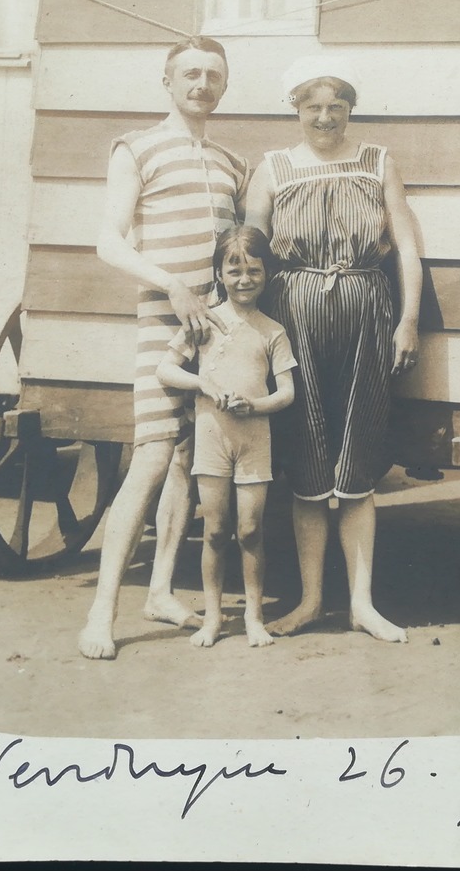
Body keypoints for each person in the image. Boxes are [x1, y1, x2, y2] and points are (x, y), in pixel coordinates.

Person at [77, 36, 248, 661]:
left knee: (189, 460)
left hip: (219, 332)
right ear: (169, 82)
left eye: (213, 75)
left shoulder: (232, 162)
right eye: (191, 74)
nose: (202, 84)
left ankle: (160, 591)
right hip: (163, 323)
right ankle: (101, 614)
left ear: (223, 87)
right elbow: (107, 242)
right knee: (152, 457)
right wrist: (171, 284)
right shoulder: (137, 148)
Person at [245, 55, 421, 643]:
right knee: (307, 456)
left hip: (368, 312)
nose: (325, 118)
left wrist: (409, 320)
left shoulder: (377, 162)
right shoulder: (272, 168)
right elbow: (252, 258)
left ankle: (362, 605)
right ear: (296, 110)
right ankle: (312, 601)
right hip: (294, 317)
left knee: (359, 452)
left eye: (336, 108)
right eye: (313, 107)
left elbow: (406, 247)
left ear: (350, 111)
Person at [157, 226, 297, 648]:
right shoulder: (204, 321)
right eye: (233, 271)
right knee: (215, 530)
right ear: (219, 273)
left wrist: (255, 406)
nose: (243, 280)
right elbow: (166, 369)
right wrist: (203, 384)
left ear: (266, 274)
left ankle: (253, 617)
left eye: (253, 271)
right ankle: (213, 618)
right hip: (212, 439)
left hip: (255, 440)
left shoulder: (272, 330)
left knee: (250, 529)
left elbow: (288, 392)